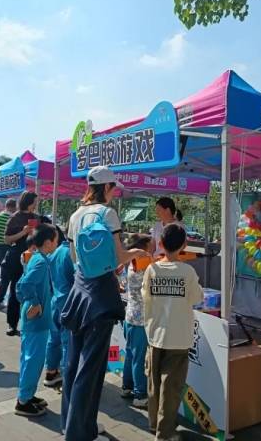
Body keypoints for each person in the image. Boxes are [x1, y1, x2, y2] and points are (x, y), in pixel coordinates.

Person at [60, 166, 149, 441]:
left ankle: (74, 424)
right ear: (107, 187)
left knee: (73, 362)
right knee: (91, 368)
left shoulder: (75, 215)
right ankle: (79, 433)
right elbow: (119, 255)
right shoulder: (107, 214)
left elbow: (74, 257)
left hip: (79, 291)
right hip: (101, 294)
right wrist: (136, 252)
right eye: (114, 188)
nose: (115, 193)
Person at [142, 224, 203, 440]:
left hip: (155, 334)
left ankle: (154, 425)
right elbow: (197, 298)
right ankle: (164, 433)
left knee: (154, 383)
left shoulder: (152, 269)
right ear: (184, 245)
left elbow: (146, 298)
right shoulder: (188, 272)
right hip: (178, 337)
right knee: (171, 387)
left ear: (160, 243)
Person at [15, 223, 58, 417]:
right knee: (33, 360)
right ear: (48, 242)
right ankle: (23, 401)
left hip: (35, 318)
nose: (57, 243)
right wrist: (34, 303)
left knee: (30, 358)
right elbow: (24, 285)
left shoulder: (37, 258)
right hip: (36, 319)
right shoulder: (40, 261)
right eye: (56, 240)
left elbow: (20, 285)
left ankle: (27, 396)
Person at [0, 192, 42, 336]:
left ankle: (31, 322)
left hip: (34, 257)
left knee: (33, 289)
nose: (36, 204)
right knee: (16, 289)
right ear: (28, 202)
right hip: (17, 258)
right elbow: (7, 239)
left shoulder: (36, 217)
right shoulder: (15, 218)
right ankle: (12, 323)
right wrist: (23, 232)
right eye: (35, 202)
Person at [121, 234, 153, 408]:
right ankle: (140, 395)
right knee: (139, 358)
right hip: (140, 320)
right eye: (150, 246)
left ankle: (127, 387)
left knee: (130, 354)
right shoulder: (144, 267)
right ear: (142, 249)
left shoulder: (132, 264)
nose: (153, 249)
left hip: (130, 317)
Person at [43, 227, 74, 388]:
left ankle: (51, 371)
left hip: (55, 300)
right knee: (68, 343)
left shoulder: (56, 252)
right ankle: (67, 378)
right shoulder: (72, 254)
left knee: (53, 339)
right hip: (68, 303)